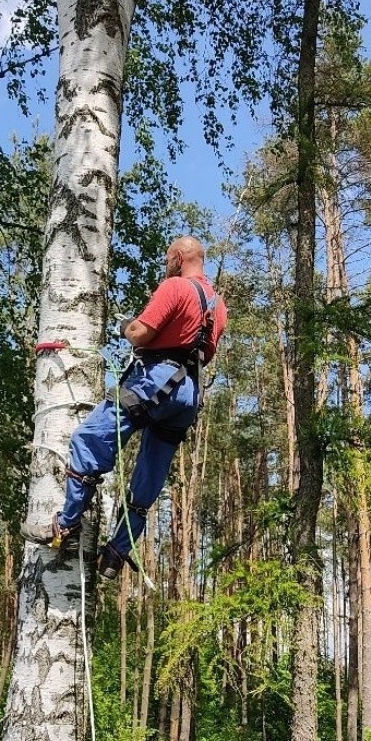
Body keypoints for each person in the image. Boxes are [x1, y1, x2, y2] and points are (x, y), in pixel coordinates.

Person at [47, 235, 227, 579]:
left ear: (178, 257)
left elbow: (140, 333)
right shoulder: (218, 306)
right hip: (188, 393)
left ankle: (65, 523)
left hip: (156, 380)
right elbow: (207, 351)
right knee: (150, 473)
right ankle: (115, 553)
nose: (166, 265)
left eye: (167, 259)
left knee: (90, 439)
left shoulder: (175, 287)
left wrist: (126, 326)